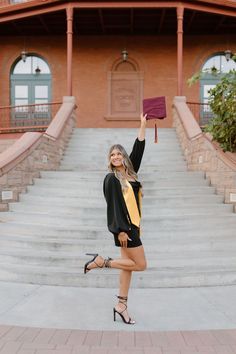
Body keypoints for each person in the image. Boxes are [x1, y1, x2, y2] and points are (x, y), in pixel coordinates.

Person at [84, 113, 147, 325]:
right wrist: (119, 230)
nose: (116, 157)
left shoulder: (130, 173)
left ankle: (121, 305)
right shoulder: (112, 178)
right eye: (112, 155)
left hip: (134, 226)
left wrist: (143, 124)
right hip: (125, 229)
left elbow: (138, 150)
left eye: (119, 154)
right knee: (140, 265)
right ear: (109, 160)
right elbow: (113, 206)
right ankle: (102, 261)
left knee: (128, 267)